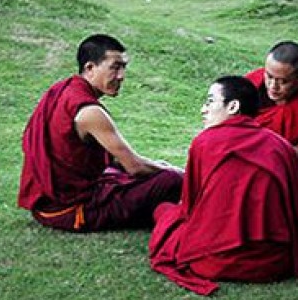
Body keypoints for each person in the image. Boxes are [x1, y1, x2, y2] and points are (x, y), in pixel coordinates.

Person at [149, 76, 298, 295]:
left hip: (213, 262)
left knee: (164, 213)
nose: (204, 109)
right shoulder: (281, 147)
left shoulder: (205, 142)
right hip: (276, 262)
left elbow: (190, 207)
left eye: (210, 101)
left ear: (233, 106)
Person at [18, 34, 183, 232]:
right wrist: (178, 172)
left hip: (45, 205)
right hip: (71, 210)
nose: (121, 76)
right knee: (171, 180)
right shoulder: (89, 111)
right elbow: (135, 167)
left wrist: (158, 166)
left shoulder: (63, 90)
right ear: (90, 68)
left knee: (122, 172)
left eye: (123, 68)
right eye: (115, 67)